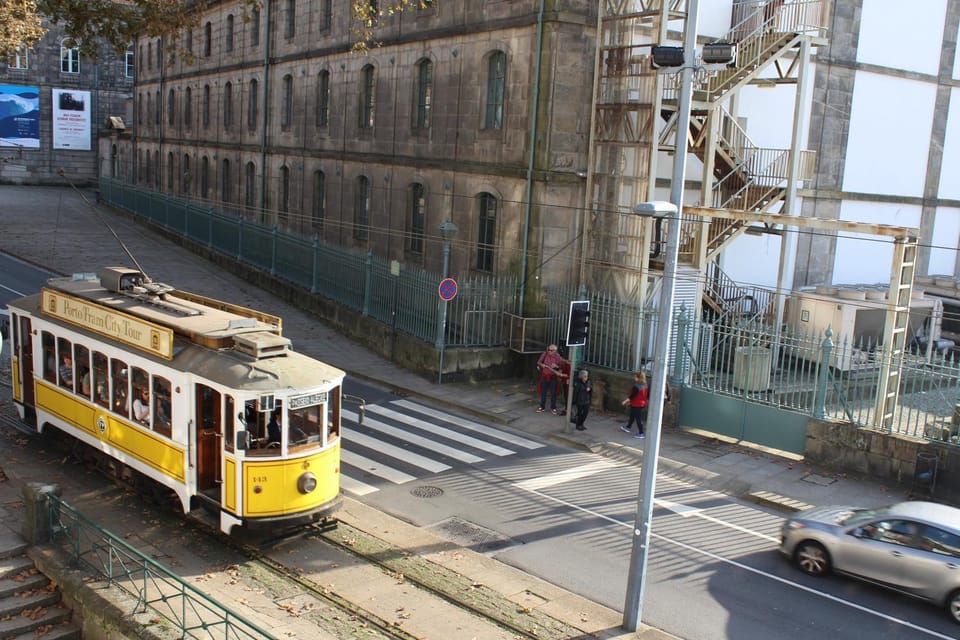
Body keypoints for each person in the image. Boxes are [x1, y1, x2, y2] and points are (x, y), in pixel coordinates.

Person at [536, 344, 568, 414]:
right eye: (548, 349)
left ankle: (553, 407)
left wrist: (556, 366)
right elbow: (538, 362)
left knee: (553, 393)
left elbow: (561, 366)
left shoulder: (558, 357)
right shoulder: (545, 354)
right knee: (543, 392)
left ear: (555, 351)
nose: (549, 351)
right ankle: (542, 407)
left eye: (551, 350)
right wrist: (542, 365)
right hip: (545, 376)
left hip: (553, 377)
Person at [620, 371, 649, 439]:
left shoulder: (636, 387)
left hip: (636, 404)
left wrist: (624, 402)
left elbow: (632, 396)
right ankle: (628, 427)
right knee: (632, 415)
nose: (634, 378)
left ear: (638, 378)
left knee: (638, 418)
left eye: (635, 377)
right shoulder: (645, 385)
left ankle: (641, 432)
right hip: (642, 403)